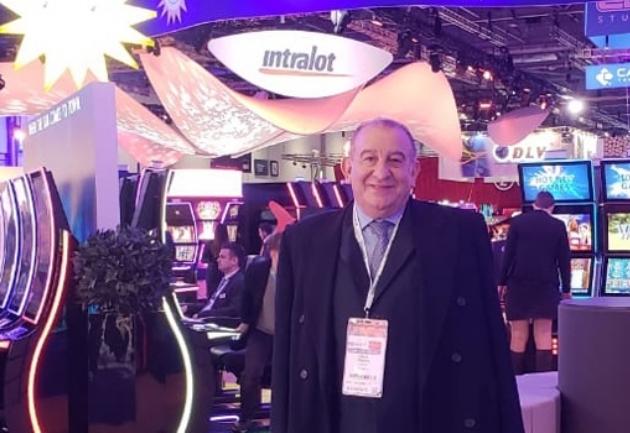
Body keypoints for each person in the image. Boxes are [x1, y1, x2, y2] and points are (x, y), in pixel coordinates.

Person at [272, 118, 523, 433]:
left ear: (414, 171)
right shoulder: (304, 241)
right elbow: (287, 353)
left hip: (432, 420)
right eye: (369, 158)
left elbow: (491, 343)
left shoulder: (461, 233)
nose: (381, 172)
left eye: (395, 160)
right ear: (348, 169)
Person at [498, 191, 572, 375]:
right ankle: (543, 381)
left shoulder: (518, 222)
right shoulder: (558, 225)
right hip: (546, 284)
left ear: (534, 205)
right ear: (552, 207)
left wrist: (501, 282)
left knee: (518, 335)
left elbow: (508, 256)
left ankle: (515, 380)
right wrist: (566, 290)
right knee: (544, 334)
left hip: (518, 282)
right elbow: (564, 260)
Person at [233, 232, 283, 432]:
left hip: (286, 335)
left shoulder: (297, 272)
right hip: (261, 331)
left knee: (284, 376)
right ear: (272, 252)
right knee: (251, 374)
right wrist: (245, 322)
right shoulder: (257, 269)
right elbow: (246, 297)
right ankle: (246, 418)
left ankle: (280, 417)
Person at [189, 242, 245, 320]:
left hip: (215, 322)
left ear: (234, 261)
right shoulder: (224, 279)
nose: (218, 260)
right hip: (205, 318)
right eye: (219, 257)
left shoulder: (239, 281)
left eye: (222, 257)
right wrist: (188, 307)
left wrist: (202, 315)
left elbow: (233, 311)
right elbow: (211, 304)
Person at [202, 224, 229, 299]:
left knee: (212, 295)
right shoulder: (229, 245)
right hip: (223, 271)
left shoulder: (209, 244)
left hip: (213, 272)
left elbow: (203, 259)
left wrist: (212, 260)